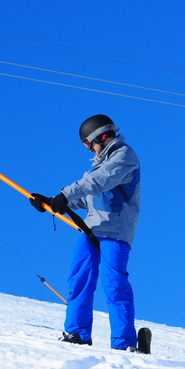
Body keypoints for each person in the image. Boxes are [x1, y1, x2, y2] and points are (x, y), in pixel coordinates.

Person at [30, 114, 146, 352]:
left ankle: (125, 344)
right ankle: (77, 333)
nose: (89, 149)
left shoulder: (124, 157)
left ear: (101, 137)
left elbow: (98, 182)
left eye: (88, 143)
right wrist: (52, 202)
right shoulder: (100, 165)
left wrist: (65, 194)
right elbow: (87, 198)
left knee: (114, 284)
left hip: (115, 233)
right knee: (79, 278)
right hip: (91, 230)